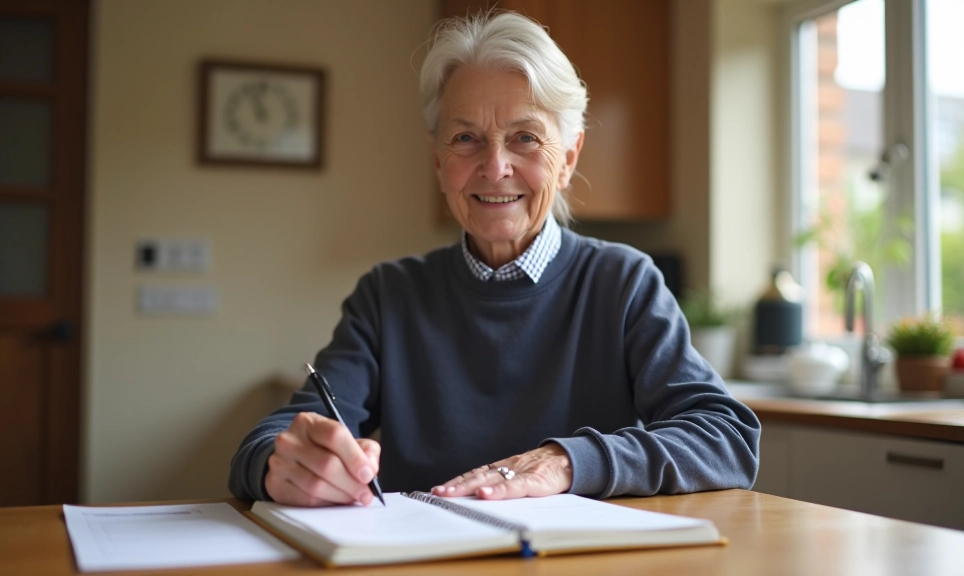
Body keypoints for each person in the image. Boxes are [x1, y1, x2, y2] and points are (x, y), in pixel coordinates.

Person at [229, 11, 760, 507]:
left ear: (568, 158)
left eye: (525, 138)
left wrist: (566, 462)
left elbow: (728, 438)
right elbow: (272, 439)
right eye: (466, 138)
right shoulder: (387, 295)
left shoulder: (623, 282)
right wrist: (282, 464)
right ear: (439, 163)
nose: (495, 166)